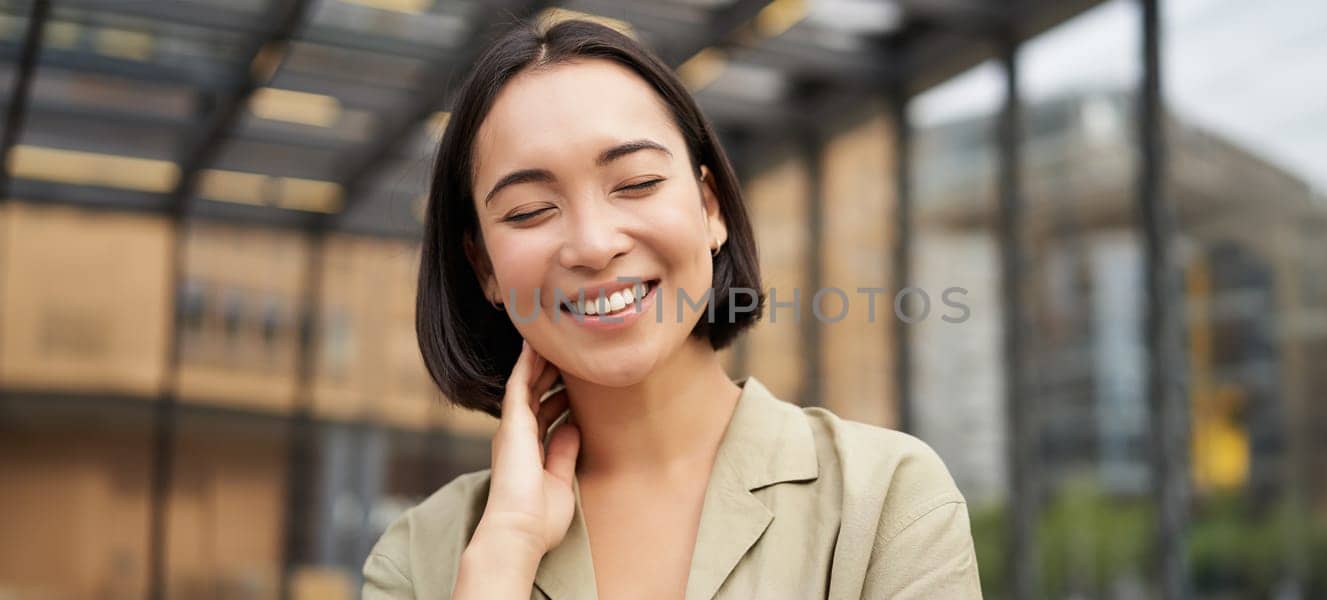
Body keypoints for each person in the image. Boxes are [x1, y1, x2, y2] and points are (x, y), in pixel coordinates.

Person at [362, 17, 983, 600]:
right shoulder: (420, 558)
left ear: (710, 207)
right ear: (485, 268)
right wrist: (504, 556)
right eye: (529, 211)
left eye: (636, 183)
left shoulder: (885, 500)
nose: (594, 244)